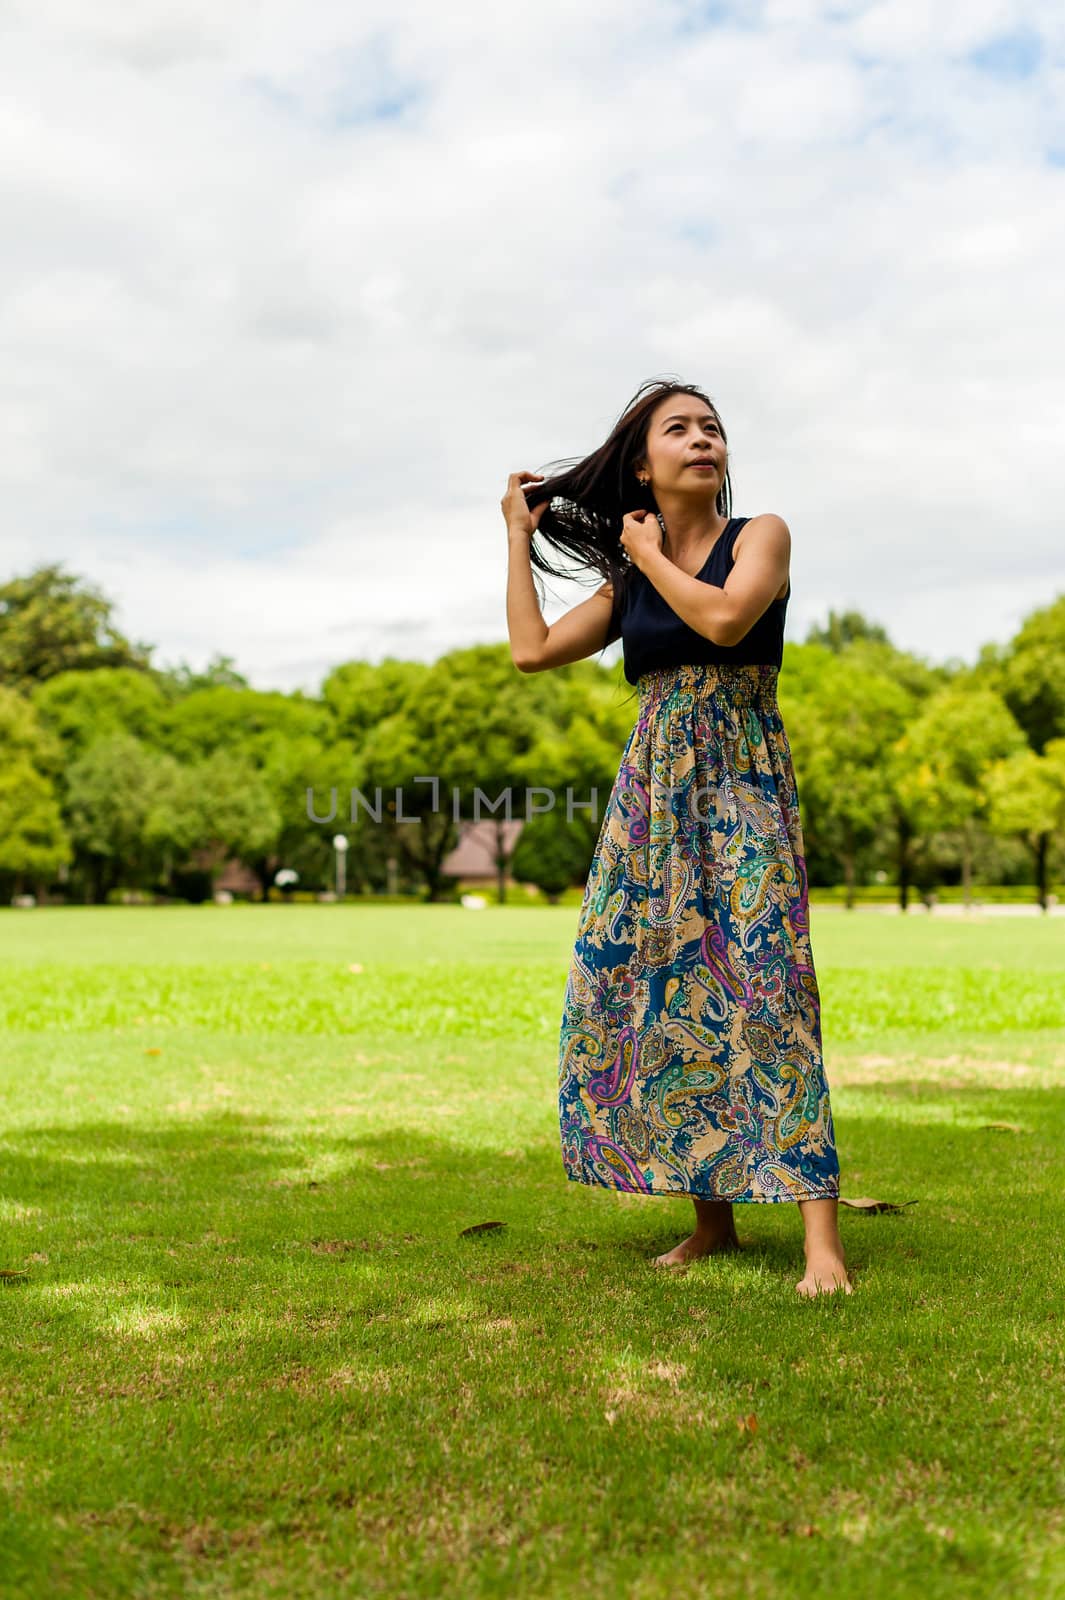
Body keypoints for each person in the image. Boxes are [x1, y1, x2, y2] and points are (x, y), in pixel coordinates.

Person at [502, 377, 852, 1297]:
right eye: (679, 429)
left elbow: (726, 618)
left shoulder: (759, 535)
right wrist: (516, 540)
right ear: (645, 464)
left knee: (769, 984)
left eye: (712, 428)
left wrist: (648, 557)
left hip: (739, 781)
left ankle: (821, 1242)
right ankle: (713, 1223)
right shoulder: (630, 579)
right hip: (653, 790)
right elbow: (531, 650)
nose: (701, 439)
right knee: (664, 981)